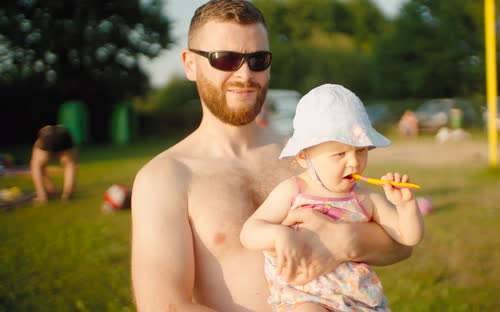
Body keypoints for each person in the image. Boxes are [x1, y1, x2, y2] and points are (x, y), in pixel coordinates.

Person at [131, 1, 413, 311]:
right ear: (190, 64)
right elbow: (164, 305)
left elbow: (401, 246)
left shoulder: (309, 156)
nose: (245, 74)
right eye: (225, 59)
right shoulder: (165, 178)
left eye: (258, 59)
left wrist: (342, 243)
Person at [240, 84, 424, 311]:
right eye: (340, 154)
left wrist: (405, 206)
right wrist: (279, 235)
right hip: (305, 297)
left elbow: (408, 238)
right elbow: (249, 232)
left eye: (361, 150)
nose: (354, 162)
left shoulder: (366, 198)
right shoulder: (293, 190)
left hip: (360, 302)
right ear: (303, 156)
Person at [30, 125, 77, 203]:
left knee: (36, 166)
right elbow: (72, 163)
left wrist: (48, 185)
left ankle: (42, 196)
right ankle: (67, 194)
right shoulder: (63, 130)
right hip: (64, 136)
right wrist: (49, 185)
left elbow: (40, 168)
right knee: (70, 165)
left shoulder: (42, 135)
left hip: (47, 136)